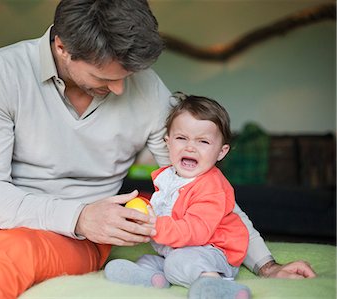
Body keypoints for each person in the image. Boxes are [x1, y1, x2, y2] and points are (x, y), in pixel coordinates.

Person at [0, 1, 315, 298]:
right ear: (62, 47)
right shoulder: (2, 70)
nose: (121, 88)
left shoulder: (146, 90)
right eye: (104, 77)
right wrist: (76, 212)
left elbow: (207, 191)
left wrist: (265, 263)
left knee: (6, 254)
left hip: (78, 236)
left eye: (128, 74)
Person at [105, 92, 251, 299]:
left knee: (178, 262)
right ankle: (151, 278)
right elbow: (168, 208)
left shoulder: (212, 186)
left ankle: (214, 283)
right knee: (150, 260)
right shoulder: (169, 178)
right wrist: (144, 212)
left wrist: (156, 226)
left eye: (203, 142)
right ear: (168, 142)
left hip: (215, 252)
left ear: (221, 152)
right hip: (179, 249)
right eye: (182, 138)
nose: (190, 147)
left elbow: (197, 231)